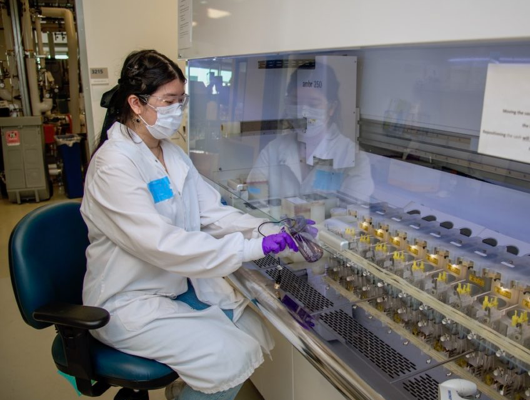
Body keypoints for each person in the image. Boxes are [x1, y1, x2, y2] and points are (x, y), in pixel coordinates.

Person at [81, 50, 300, 400]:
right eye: (168, 101)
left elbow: (212, 213)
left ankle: (185, 389)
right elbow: (162, 244)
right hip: (128, 299)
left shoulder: (171, 153)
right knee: (229, 355)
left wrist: (268, 230)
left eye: (181, 101)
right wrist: (249, 248)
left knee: (254, 329)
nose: (177, 110)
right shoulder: (113, 166)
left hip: (173, 286)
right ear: (136, 104)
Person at [246, 62, 374, 203]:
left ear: (331, 108)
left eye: (313, 104)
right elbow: (254, 199)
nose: (303, 112)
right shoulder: (273, 150)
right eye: (295, 103)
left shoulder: (354, 158)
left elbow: (354, 211)